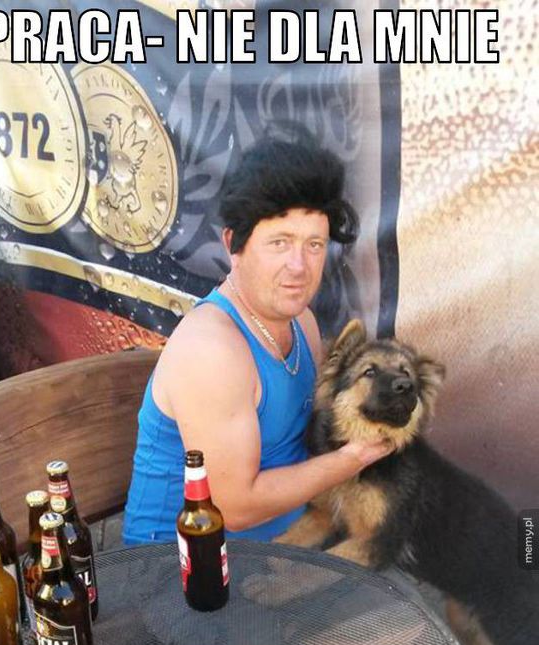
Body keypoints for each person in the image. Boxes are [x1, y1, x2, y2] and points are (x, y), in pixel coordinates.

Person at [123, 136, 391, 544]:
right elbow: (234, 508)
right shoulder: (212, 349)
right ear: (234, 244)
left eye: (314, 245)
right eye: (279, 242)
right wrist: (353, 459)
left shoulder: (302, 322)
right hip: (181, 563)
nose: (299, 266)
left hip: (284, 544)